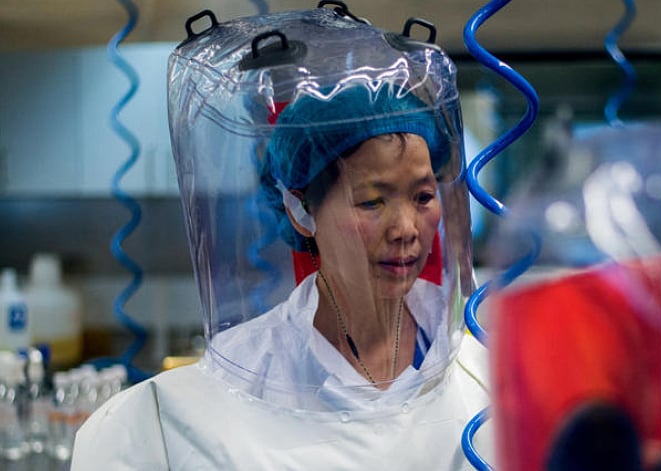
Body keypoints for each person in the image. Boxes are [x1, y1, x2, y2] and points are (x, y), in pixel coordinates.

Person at [71, 5, 490, 469]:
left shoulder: (481, 366)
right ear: (300, 210)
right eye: (372, 201)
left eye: (423, 196)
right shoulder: (227, 387)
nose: (407, 229)